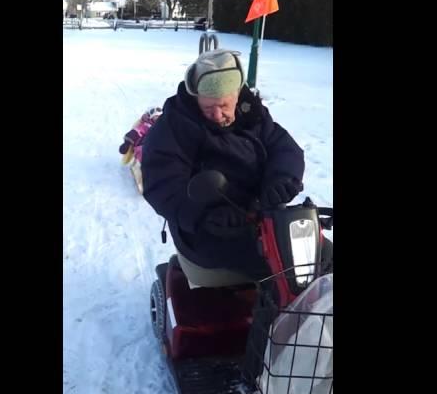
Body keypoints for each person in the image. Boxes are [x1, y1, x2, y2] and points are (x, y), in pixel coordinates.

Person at [141, 48, 332, 287]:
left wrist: (281, 179)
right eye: (208, 108)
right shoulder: (175, 126)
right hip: (209, 231)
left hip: (264, 219)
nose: (217, 115)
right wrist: (202, 215)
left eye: (223, 105)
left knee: (323, 256)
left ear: (237, 95)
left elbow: (283, 148)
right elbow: (163, 183)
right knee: (284, 272)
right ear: (196, 97)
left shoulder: (252, 114)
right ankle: (269, 323)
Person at [118, 106, 163, 194]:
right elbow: (134, 132)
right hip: (143, 147)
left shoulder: (163, 126)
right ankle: (140, 175)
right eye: (156, 117)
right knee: (144, 155)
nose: (158, 119)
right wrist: (126, 143)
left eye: (160, 117)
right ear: (150, 116)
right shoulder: (146, 125)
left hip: (157, 148)